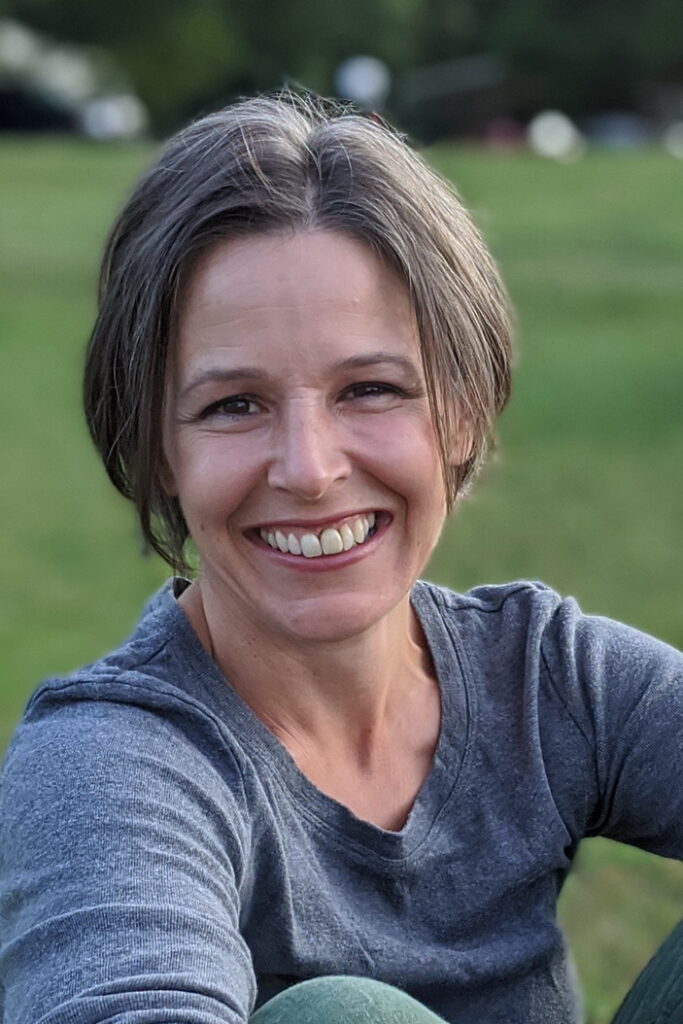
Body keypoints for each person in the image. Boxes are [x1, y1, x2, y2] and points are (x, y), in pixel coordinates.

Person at [1, 91, 682, 1024]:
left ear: (464, 409)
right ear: (158, 447)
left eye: (369, 389)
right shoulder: (106, 765)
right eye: (233, 404)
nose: (311, 470)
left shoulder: (545, 679)